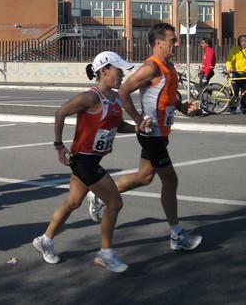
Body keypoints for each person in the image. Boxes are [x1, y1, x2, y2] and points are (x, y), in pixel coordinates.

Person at [87, 23, 202, 252]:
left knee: (144, 177)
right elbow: (123, 91)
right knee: (170, 180)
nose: (177, 44)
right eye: (173, 40)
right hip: (152, 134)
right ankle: (177, 234)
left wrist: (180, 106)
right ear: (159, 43)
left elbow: (165, 96)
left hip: (161, 133)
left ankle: (100, 195)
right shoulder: (151, 67)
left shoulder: (168, 66)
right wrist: (138, 119)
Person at [32, 51, 142, 273]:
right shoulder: (91, 97)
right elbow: (61, 112)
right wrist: (58, 145)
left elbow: (117, 126)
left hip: (91, 159)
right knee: (115, 203)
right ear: (104, 70)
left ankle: (45, 239)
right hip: (84, 161)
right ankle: (106, 254)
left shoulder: (114, 98)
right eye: (118, 70)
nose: (122, 75)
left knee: (73, 202)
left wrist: (137, 128)